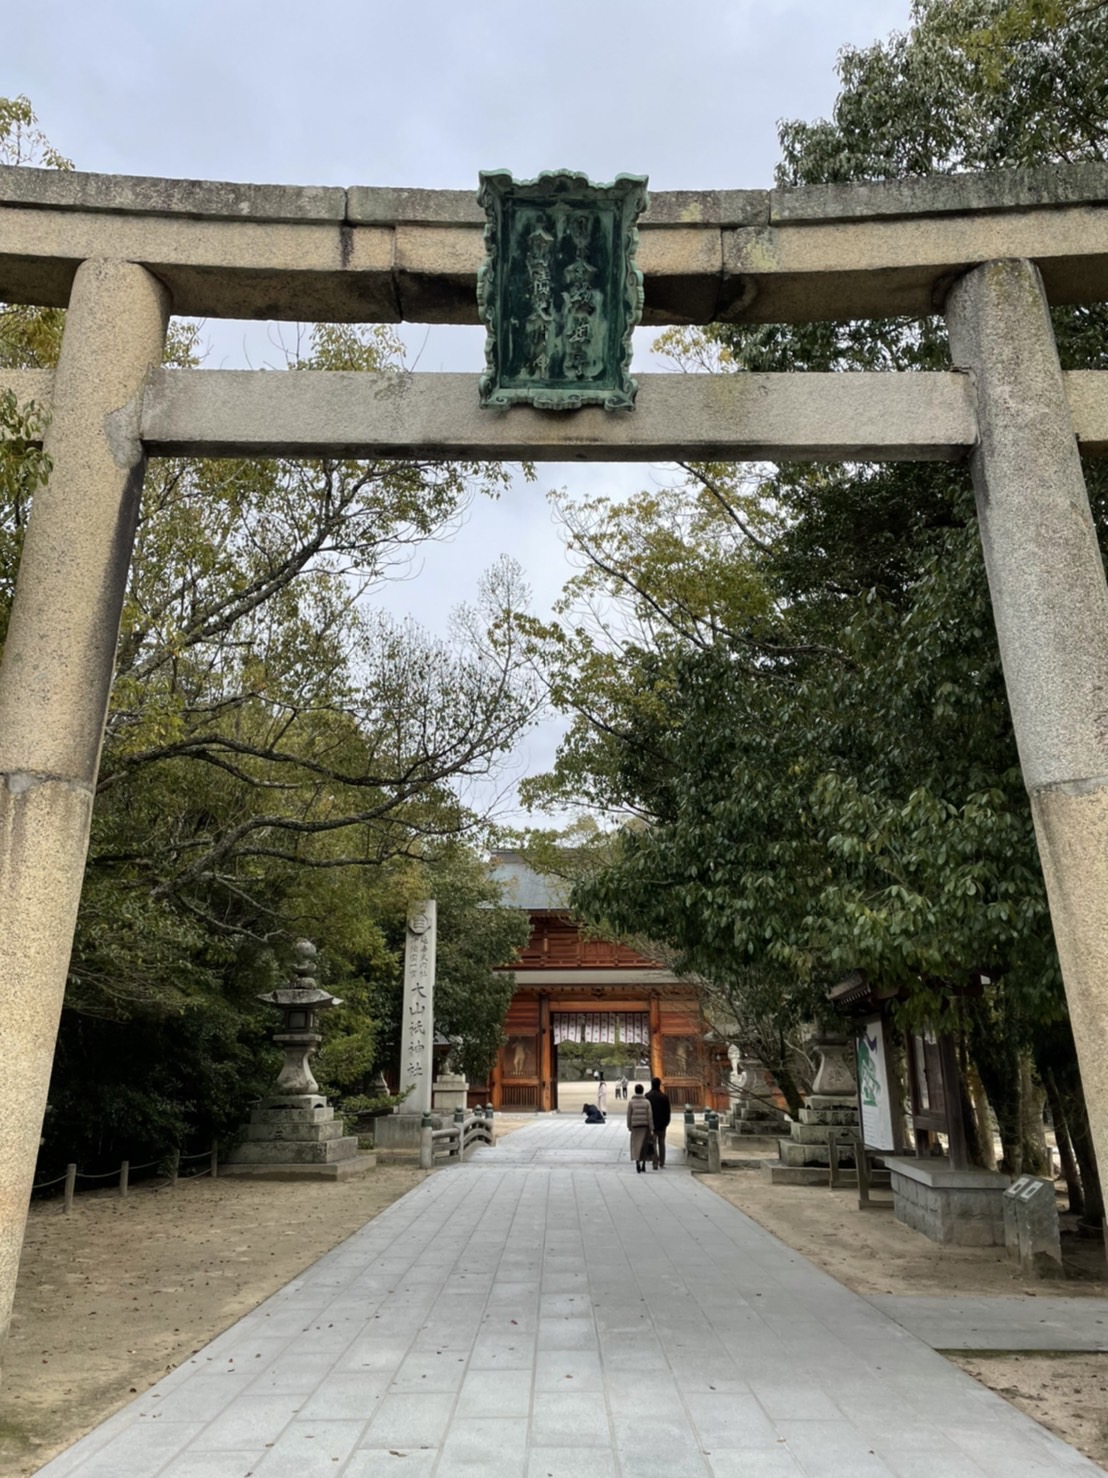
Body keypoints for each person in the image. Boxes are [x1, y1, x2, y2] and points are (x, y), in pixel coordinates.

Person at [645, 1076, 672, 1170]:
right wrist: (667, 1122)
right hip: (662, 1124)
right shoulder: (664, 1097)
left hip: (652, 1123)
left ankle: (655, 1161)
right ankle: (662, 1161)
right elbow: (668, 1111)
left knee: (653, 1143)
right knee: (662, 1143)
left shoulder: (647, 1096)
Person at [627, 1082, 654, 1173]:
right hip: (645, 1126)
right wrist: (651, 1127)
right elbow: (650, 1116)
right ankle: (643, 1164)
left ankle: (637, 1162)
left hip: (635, 1126)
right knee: (644, 1146)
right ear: (642, 1091)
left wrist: (629, 1126)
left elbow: (629, 1115)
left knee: (636, 1146)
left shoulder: (631, 1102)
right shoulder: (647, 1102)